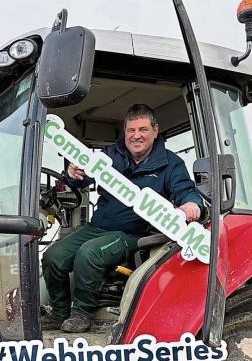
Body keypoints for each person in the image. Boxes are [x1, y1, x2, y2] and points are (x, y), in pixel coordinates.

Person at [41, 104, 203, 332]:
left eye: (143, 130)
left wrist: (191, 204)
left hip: (134, 234)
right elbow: (82, 177)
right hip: (98, 227)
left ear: (155, 130)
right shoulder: (110, 155)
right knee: (53, 256)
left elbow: (185, 191)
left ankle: (81, 314)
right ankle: (59, 314)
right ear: (125, 132)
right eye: (131, 130)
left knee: (90, 253)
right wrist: (74, 174)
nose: (136, 136)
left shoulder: (171, 163)